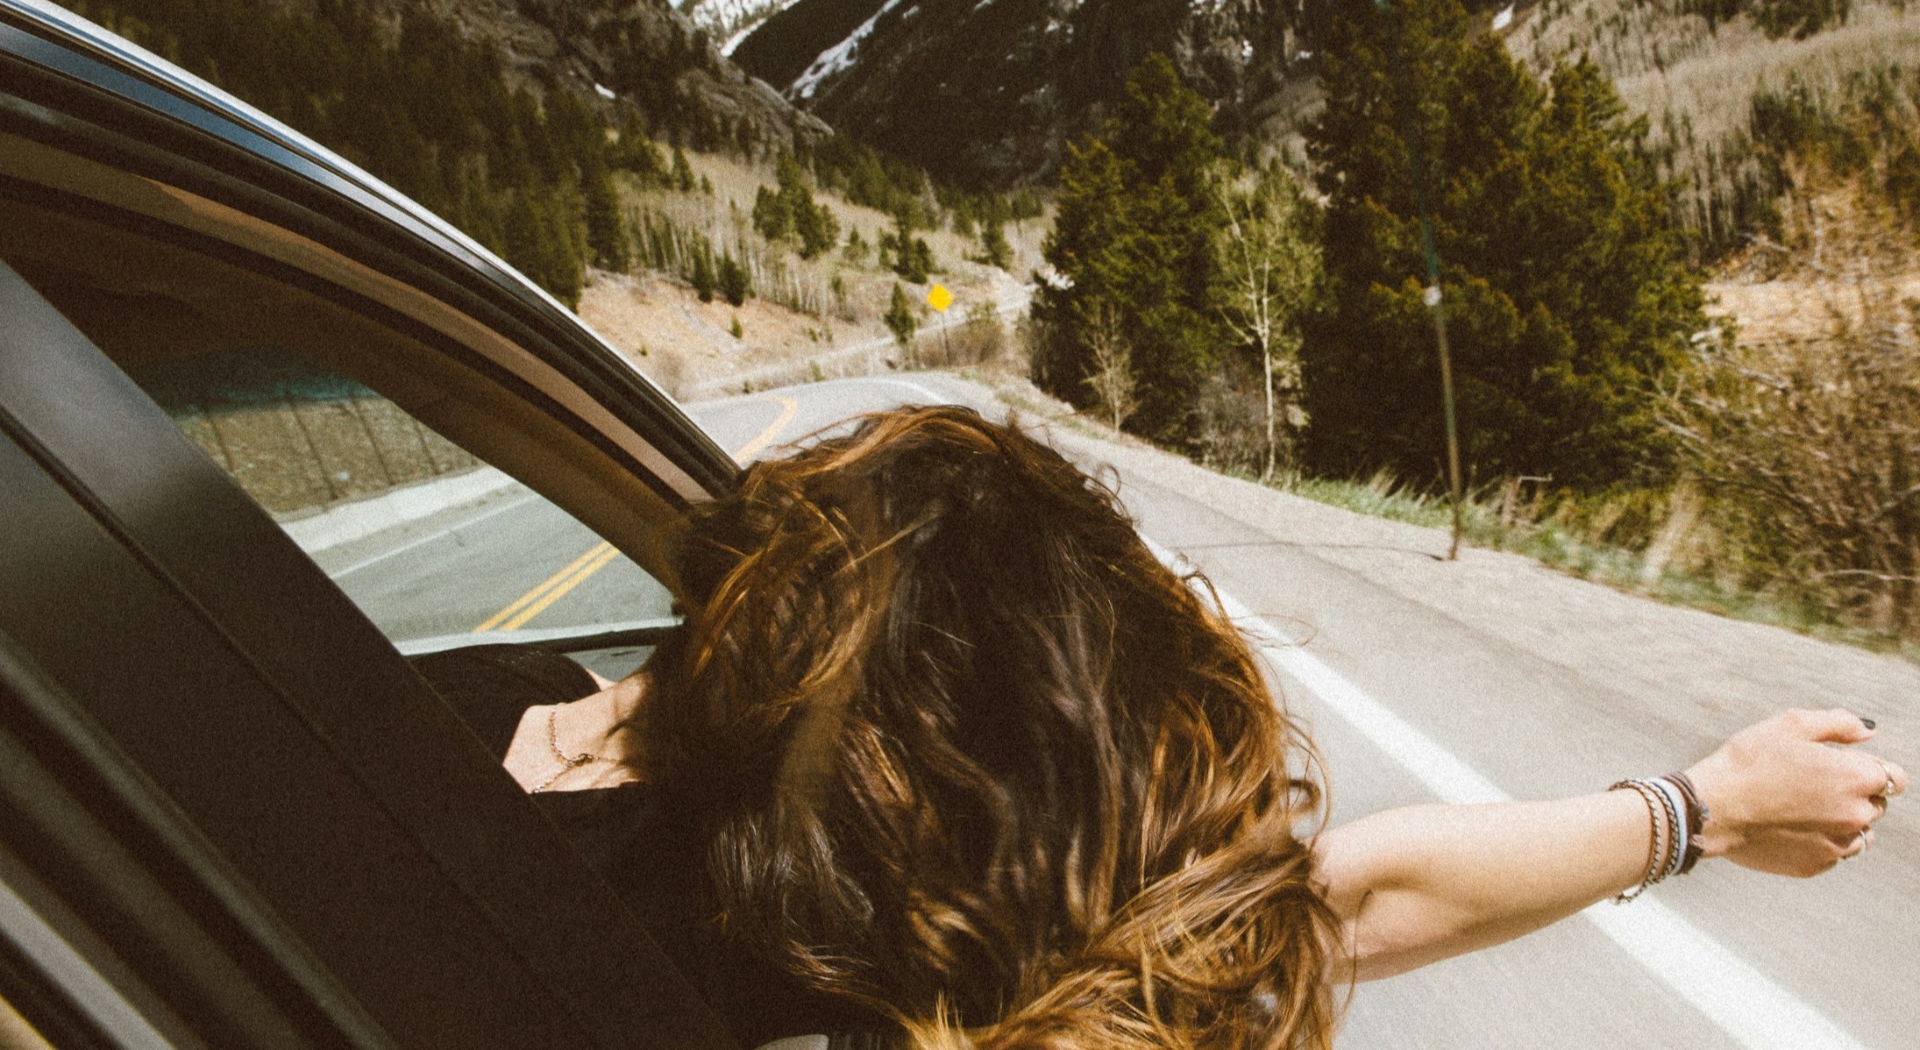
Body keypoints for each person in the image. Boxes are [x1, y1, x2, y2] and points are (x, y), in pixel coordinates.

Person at [417, 406, 1907, 1050]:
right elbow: (1337, 901)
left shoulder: (427, 704)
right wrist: (1698, 809)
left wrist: (1702, 806)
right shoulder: (798, 938)